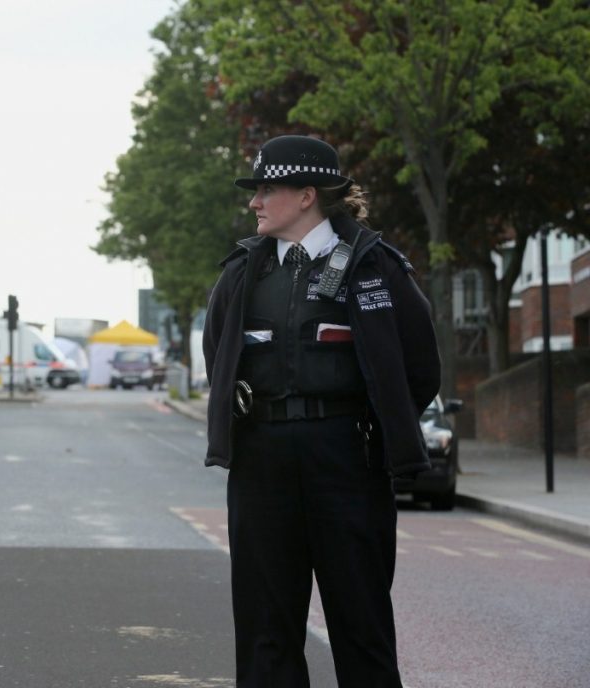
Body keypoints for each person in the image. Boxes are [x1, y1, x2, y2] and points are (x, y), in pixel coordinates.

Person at [203, 135, 440, 687]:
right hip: (261, 464)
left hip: (347, 462)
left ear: (307, 195)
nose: (255, 202)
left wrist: (375, 430)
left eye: (267, 189)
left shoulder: (375, 266)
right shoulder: (241, 273)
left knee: (362, 629)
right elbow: (220, 357)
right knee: (266, 632)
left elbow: (421, 369)